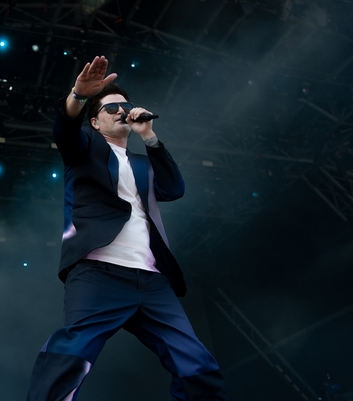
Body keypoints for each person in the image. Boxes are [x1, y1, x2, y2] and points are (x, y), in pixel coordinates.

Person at [26, 56, 227, 401]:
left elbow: (174, 189)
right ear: (95, 121)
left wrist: (149, 136)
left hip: (150, 279)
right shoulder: (85, 148)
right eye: (111, 107)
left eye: (126, 106)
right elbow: (65, 130)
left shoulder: (142, 163)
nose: (121, 111)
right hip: (98, 271)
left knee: (195, 361)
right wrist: (78, 94)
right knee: (72, 354)